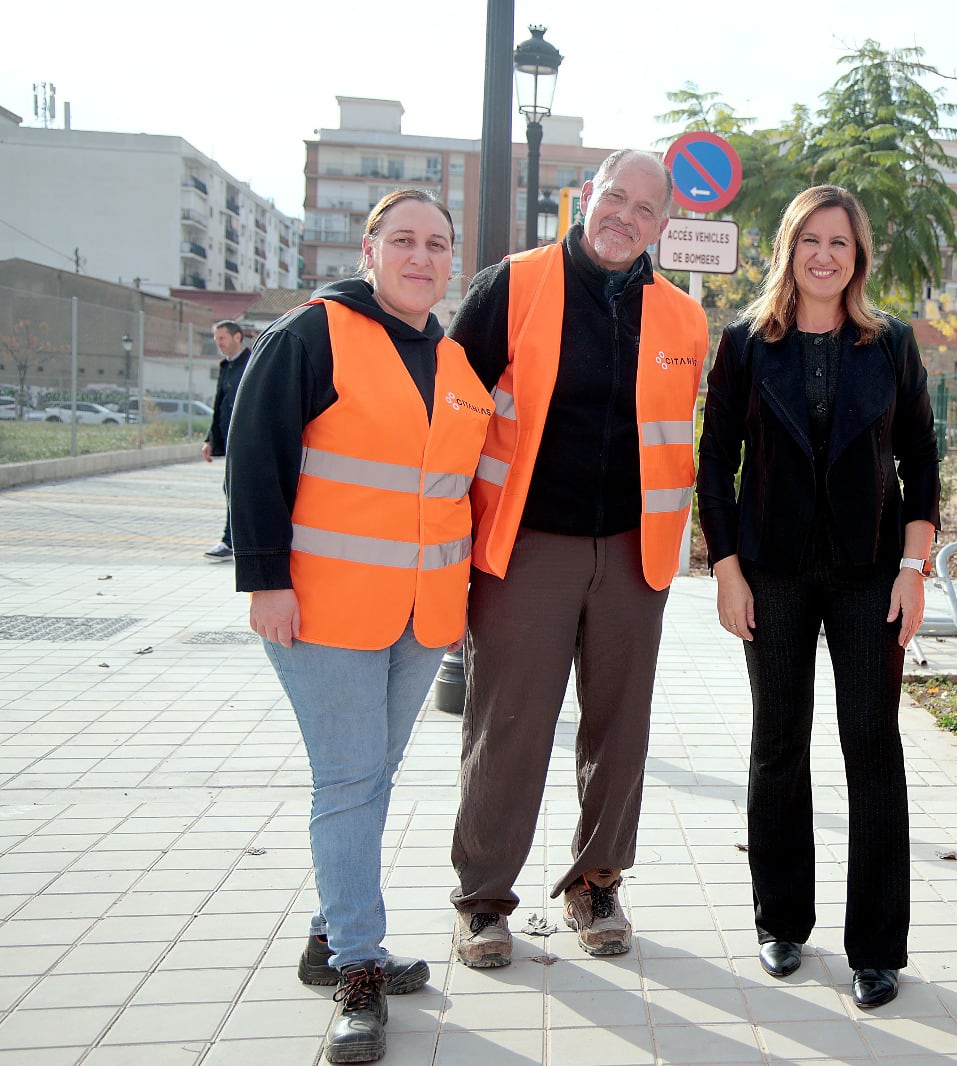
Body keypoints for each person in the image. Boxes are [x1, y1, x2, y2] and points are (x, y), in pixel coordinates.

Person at [228, 189, 490, 1064]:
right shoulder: (311, 334)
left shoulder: (452, 362)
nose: (423, 256)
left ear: (452, 261)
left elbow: (454, 495)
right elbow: (254, 457)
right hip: (326, 608)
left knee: (369, 778)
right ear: (369, 248)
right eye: (405, 240)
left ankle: (328, 936)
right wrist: (264, 580)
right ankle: (357, 968)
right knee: (347, 781)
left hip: (421, 615)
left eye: (439, 244)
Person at [446, 150, 707, 966]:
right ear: (584, 198)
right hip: (525, 546)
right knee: (509, 725)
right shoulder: (512, 285)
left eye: (645, 208)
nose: (625, 216)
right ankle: (483, 899)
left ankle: (595, 883)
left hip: (636, 554)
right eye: (613, 197)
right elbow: (451, 413)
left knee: (620, 729)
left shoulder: (683, 320)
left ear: (664, 225)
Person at [696, 185, 939, 1009]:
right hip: (773, 572)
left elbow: (923, 466)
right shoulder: (744, 343)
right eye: (812, 241)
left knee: (872, 747)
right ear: (789, 249)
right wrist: (726, 569)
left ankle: (876, 947)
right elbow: (713, 464)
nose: (826, 256)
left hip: (872, 573)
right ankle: (781, 923)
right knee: (778, 743)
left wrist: (913, 570)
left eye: (841, 243)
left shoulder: (891, 344)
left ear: (858, 257)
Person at [202, 320, 250, 561]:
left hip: (248, 436)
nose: (219, 344)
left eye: (222, 338)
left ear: (238, 337)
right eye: (216, 339)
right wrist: (211, 439)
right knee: (232, 487)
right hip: (230, 437)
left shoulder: (253, 362)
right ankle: (233, 541)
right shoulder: (226, 366)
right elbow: (219, 404)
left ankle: (231, 541)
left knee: (235, 488)